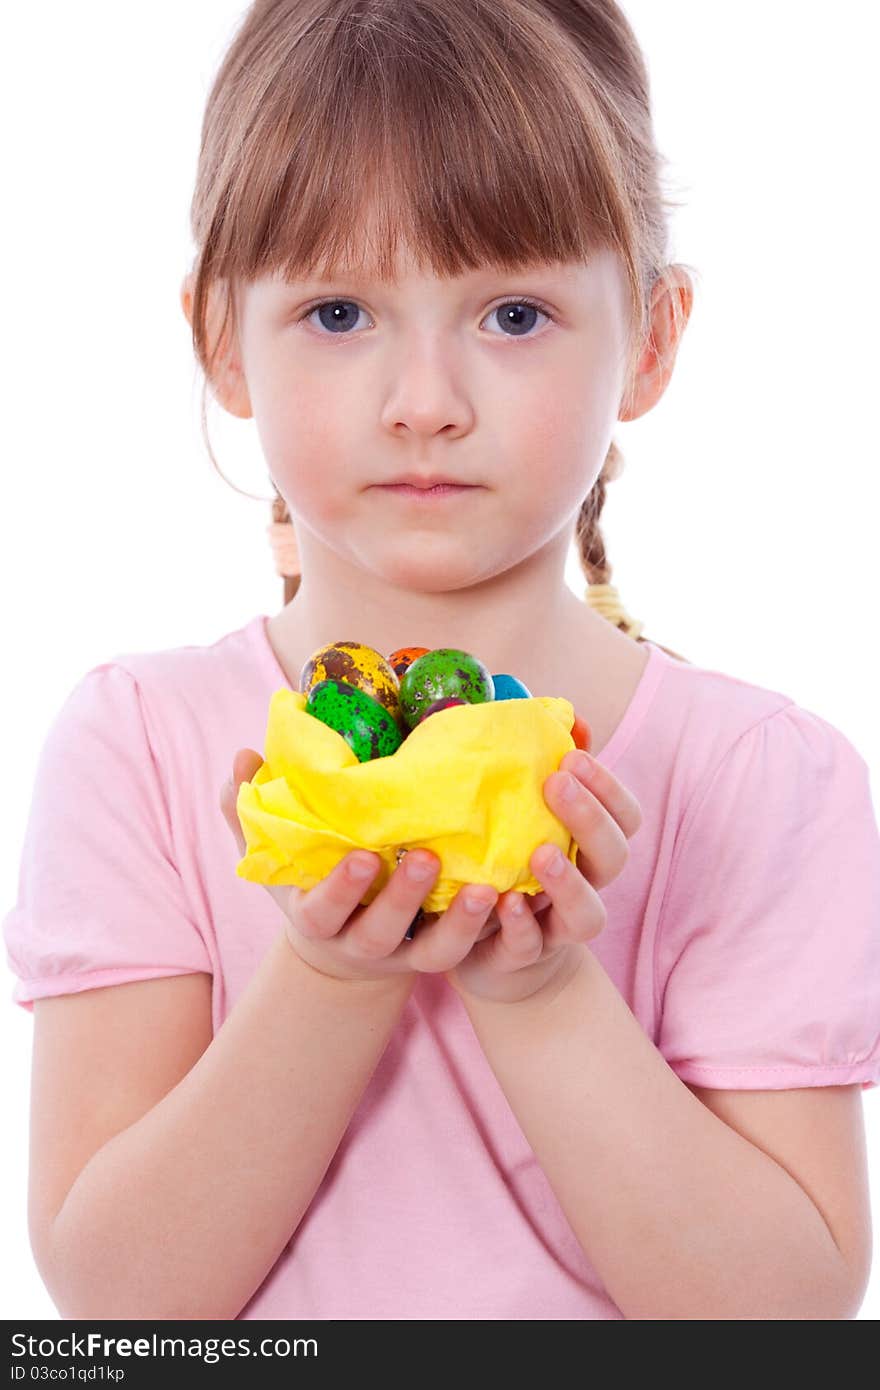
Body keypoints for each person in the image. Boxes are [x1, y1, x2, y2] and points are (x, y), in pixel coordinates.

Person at [4, 0, 879, 1322]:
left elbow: (783, 1317)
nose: (426, 397)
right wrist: (330, 971)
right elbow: (122, 1308)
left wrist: (542, 991)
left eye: (514, 314)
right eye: (340, 309)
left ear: (649, 338)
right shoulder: (140, 743)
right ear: (221, 340)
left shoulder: (763, 777)